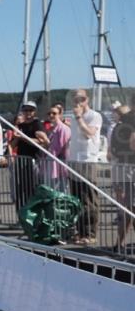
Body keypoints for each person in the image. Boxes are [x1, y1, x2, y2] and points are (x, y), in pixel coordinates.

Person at [68, 89, 103, 244]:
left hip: (88, 160)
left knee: (88, 198)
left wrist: (79, 117)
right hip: (74, 160)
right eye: (75, 99)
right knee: (76, 199)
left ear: (87, 99)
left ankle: (90, 233)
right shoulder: (73, 117)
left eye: (81, 99)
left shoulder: (94, 116)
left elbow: (89, 133)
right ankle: (80, 231)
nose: (78, 102)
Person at [108, 93, 135, 251]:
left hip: (124, 167)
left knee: (128, 208)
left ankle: (119, 243)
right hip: (130, 168)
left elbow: (113, 149)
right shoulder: (130, 120)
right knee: (130, 208)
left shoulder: (121, 122)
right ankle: (119, 244)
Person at [11, 101, 42, 213]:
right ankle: (21, 214)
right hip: (21, 160)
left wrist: (22, 137)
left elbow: (40, 142)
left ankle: (33, 214)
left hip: (33, 160)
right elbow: (13, 144)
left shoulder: (37, 124)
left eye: (31, 110)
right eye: (26, 110)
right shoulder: (21, 126)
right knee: (20, 189)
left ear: (35, 112)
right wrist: (16, 137)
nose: (28, 112)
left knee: (31, 188)